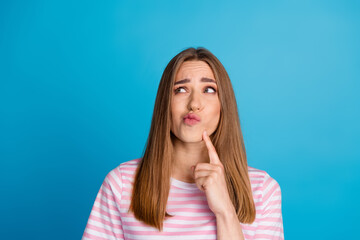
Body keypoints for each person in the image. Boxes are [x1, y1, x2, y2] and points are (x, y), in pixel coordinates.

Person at [82, 47, 284, 240]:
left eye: (209, 89)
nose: (194, 103)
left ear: (224, 106)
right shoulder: (122, 184)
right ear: (165, 104)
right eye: (180, 89)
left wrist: (225, 212)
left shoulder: (262, 190)